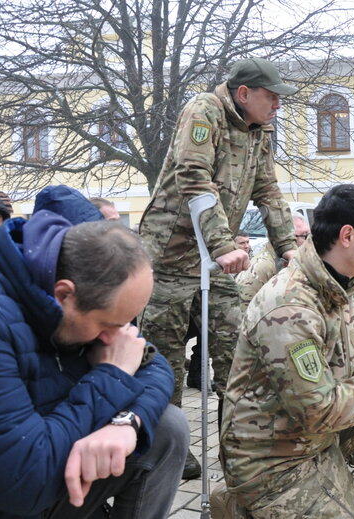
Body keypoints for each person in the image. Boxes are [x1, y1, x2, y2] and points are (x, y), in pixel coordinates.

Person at [214, 185, 354, 519]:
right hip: (272, 460)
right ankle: (240, 503)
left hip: (313, 439)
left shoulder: (347, 284)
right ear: (347, 236)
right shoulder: (289, 307)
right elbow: (318, 411)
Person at [138, 57, 298, 478]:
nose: (278, 105)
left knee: (236, 351)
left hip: (218, 262)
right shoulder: (204, 110)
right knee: (164, 361)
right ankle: (167, 449)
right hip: (170, 258)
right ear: (244, 93)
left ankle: (240, 446)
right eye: (272, 97)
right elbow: (193, 177)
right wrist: (223, 244)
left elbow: (267, 189)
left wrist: (289, 248)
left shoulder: (259, 128)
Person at [0, 205, 187, 517]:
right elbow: (22, 483)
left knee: (168, 427)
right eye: (107, 325)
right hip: (19, 494)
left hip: (55, 472)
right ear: (64, 295)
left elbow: (154, 364)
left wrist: (127, 423)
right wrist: (112, 373)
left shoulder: (82, 289)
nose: (116, 338)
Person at [235, 215, 311, 307]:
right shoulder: (260, 268)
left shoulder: (292, 260)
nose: (308, 241)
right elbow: (243, 312)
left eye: (309, 235)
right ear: (285, 239)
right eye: (304, 236)